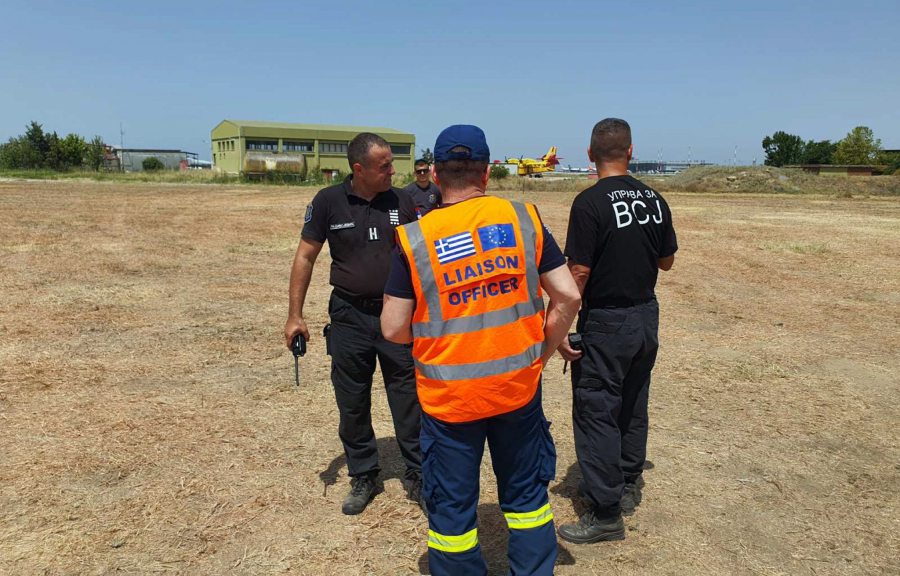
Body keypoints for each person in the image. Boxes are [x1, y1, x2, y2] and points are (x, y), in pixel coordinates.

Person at [381, 125, 582, 576]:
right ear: (487, 173)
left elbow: (393, 328)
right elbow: (568, 296)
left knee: (452, 513)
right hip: (516, 389)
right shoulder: (523, 219)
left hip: (450, 399)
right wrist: (541, 353)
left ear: (435, 175)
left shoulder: (416, 238)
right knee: (528, 502)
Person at [284, 133, 424, 516]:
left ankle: (419, 474)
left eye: (392, 164)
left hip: (398, 314)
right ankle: (364, 474)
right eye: (384, 166)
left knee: (409, 397)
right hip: (349, 316)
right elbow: (305, 257)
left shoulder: (403, 201)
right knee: (352, 399)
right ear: (359, 169)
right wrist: (295, 315)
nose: (393, 172)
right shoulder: (328, 202)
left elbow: (425, 256)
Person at [556, 118, 678, 544]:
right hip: (645, 315)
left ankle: (606, 512)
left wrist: (560, 326)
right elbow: (667, 262)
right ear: (630, 152)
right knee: (633, 402)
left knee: (597, 409)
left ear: (590, 154)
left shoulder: (589, 202)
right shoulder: (654, 198)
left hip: (607, 320)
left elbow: (579, 271)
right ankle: (626, 482)